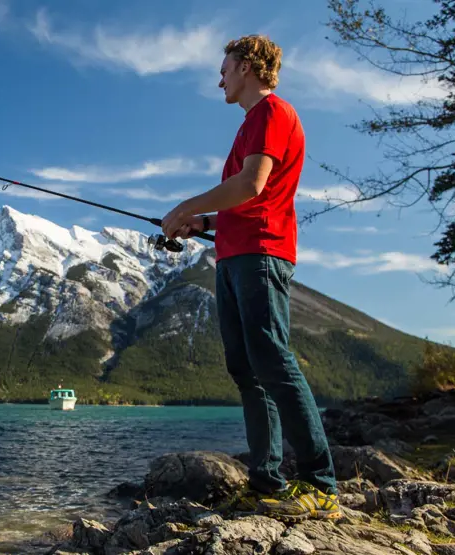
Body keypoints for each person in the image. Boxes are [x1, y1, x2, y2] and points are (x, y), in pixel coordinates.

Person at [159, 34, 341, 522]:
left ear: (246, 66)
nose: (219, 77)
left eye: (224, 67)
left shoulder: (272, 113)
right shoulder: (250, 124)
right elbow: (245, 201)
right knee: (247, 369)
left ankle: (321, 484)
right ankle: (267, 482)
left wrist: (185, 207)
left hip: (261, 255)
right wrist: (204, 223)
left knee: (272, 361)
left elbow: (251, 185)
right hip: (234, 253)